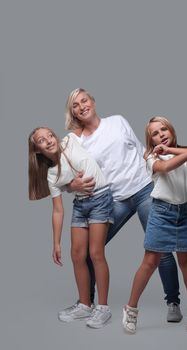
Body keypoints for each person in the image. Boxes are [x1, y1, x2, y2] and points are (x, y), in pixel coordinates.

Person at [59, 88, 182, 323]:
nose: (82, 106)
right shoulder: (78, 141)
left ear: (93, 101)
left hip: (145, 189)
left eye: (84, 100)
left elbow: (139, 150)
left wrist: (160, 172)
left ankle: (173, 301)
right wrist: (71, 186)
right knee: (86, 251)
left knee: (161, 249)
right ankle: (87, 302)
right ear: (73, 113)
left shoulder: (117, 121)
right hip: (113, 199)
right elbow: (66, 175)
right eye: (75, 105)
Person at [122, 116, 187, 334]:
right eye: (155, 133)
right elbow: (166, 167)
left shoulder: (184, 152)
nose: (161, 134)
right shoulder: (151, 157)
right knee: (150, 262)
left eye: (164, 130)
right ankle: (130, 309)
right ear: (150, 141)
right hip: (161, 213)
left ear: (171, 131)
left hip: (183, 215)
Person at [28, 127, 114, 328]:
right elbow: (58, 211)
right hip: (80, 205)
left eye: (50, 135)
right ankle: (85, 304)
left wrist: (70, 186)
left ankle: (103, 308)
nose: (49, 140)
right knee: (76, 254)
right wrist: (55, 243)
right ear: (38, 150)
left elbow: (78, 116)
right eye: (42, 140)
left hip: (101, 198)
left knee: (95, 253)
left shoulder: (69, 140)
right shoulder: (51, 175)